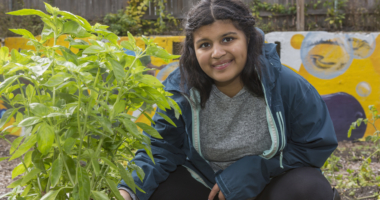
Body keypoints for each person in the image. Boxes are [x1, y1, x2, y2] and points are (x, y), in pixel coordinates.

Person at [118, 0, 340, 199]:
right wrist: (127, 190)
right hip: (209, 187)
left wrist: (257, 169)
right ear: (192, 51)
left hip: (271, 184)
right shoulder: (181, 89)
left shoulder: (286, 84)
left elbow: (315, 145)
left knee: (309, 189)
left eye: (228, 39)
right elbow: (162, 147)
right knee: (157, 190)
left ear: (249, 40)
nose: (217, 52)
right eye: (205, 44)